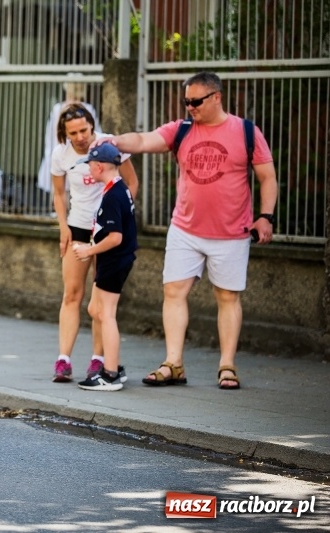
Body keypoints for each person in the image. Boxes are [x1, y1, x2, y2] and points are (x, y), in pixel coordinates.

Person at [93, 71, 277, 390]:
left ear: (216, 97)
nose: (190, 107)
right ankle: (173, 363)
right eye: (186, 101)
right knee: (174, 292)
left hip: (231, 232)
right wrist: (116, 141)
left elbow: (267, 177)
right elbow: (144, 140)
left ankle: (227, 366)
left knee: (227, 296)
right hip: (185, 228)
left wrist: (265, 217)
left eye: (195, 101)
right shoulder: (182, 129)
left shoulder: (246, 131)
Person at [50, 103, 138, 383]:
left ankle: (98, 359)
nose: (80, 137)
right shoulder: (60, 154)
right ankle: (63, 360)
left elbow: (131, 183)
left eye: (84, 130)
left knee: (101, 301)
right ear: (64, 134)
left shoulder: (109, 145)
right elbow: (59, 193)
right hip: (77, 227)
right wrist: (63, 227)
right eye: (73, 133)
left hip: (106, 232)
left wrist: (120, 219)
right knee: (72, 294)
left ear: (92, 126)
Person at [72, 144, 137, 391]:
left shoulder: (113, 195)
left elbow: (115, 237)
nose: (89, 169)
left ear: (99, 167)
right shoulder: (118, 189)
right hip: (112, 260)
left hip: (114, 259)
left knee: (106, 314)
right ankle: (112, 365)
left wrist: (88, 251)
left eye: (90, 164)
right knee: (95, 309)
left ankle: (110, 374)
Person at [38, 82, 102, 195]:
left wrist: (51, 154)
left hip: (62, 152)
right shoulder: (87, 108)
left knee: (59, 191)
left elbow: (50, 135)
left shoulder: (58, 108)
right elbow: (96, 133)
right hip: (81, 155)